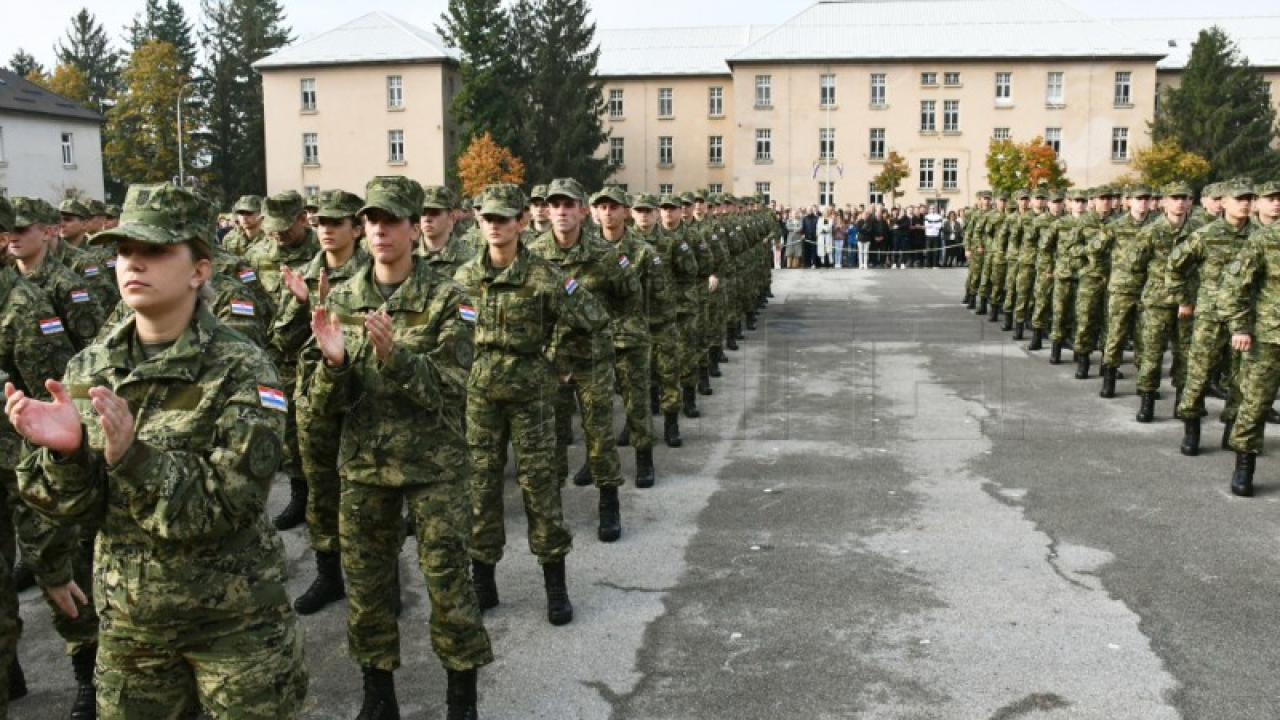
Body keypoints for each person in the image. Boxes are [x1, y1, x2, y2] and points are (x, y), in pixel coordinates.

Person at [6, 182, 308, 718]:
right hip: (131, 627)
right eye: (125, 251)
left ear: (199, 269)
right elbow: (76, 511)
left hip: (236, 627)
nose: (133, 264)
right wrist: (65, 455)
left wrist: (132, 457)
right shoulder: (89, 367)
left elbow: (228, 504)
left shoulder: (244, 369)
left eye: (156, 251)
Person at [306, 176, 492, 718]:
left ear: (415, 227)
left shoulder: (450, 299)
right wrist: (335, 366)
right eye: (371, 220)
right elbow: (317, 402)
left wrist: (397, 357)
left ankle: (461, 697)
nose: (380, 230)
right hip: (365, 467)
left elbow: (456, 387)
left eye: (392, 220)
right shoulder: (339, 301)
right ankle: (378, 694)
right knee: (366, 587)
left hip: (436, 464)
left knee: (449, 582)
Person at [455, 183, 611, 626]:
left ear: (522, 221)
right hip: (481, 398)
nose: (495, 226)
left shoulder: (544, 276)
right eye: (488, 218)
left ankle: (555, 586)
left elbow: (594, 320)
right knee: (481, 489)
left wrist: (559, 360)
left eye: (504, 218)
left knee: (541, 488)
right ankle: (483, 581)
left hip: (532, 398)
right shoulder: (465, 279)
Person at [273, 189, 371, 616]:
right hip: (314, 397)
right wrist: (302, 305)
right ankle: (328, 574)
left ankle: (379, 575)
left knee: (368, 491)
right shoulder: (304, 273)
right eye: (321, 222)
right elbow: (282, 339)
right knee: (320, 490)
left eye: (337, 222)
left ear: (356, 227)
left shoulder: (375, 272)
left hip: (362, 395)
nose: (327, 229)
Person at [529, 179, 635, 541]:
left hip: (592, 360)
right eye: (553, 204)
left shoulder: (603, 254)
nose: (559, 211)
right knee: (552, 438)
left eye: (567, 204)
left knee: (598, 434)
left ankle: (609, 504)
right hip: (551, 362)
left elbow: (629, 295)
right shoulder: (534, 253)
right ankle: (554, 508)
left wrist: (603, 328)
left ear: (582, 211)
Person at [1223, 180, 1280, 496]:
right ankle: (1244, 466)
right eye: (1272, 199)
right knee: (1255, 404)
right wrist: (1240, 327)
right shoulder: (1262, 241)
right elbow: (1236, 287)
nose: (1277, 204)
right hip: (1268, 337)